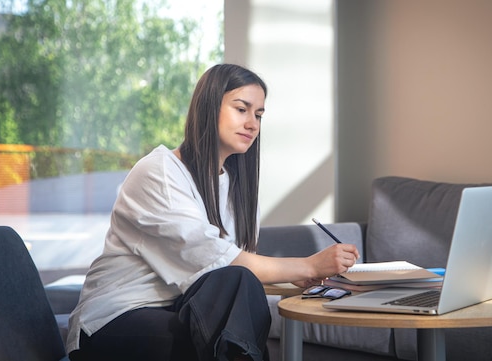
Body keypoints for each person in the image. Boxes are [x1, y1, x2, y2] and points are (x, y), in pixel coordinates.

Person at [66, 63, 360, 361]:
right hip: (116, 319)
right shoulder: (159, 171)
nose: (253, 124)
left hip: (184, 310)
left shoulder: (234, 187)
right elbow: (212, 258)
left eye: (258, 115)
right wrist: (307, 266)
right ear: (209, 107)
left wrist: (294, 277)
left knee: (236, 299)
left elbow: (226, 274)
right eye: (241, 109)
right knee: (233, 298)